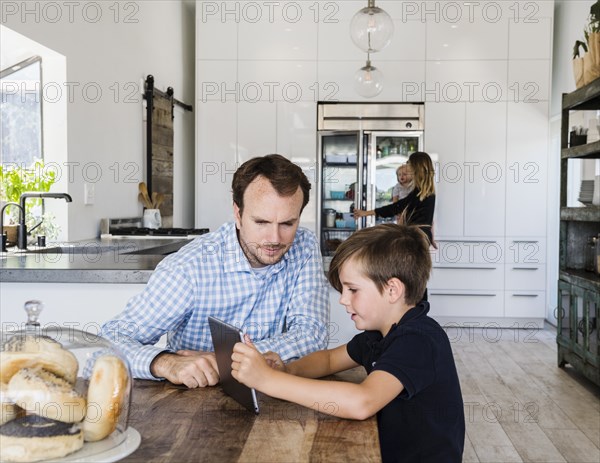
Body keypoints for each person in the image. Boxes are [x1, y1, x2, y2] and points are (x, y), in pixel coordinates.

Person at [231, 224, 465, 462]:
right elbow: (329, 359)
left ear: (392, 290)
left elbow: (362, 402)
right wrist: (288, 370)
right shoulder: (377, 335)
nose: (343, 299)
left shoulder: (418, 340)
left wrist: (269, 380)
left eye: (353, 289)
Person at [102, 154, 330, 388]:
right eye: (261, 222)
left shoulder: (304, 246)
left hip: (273, 396)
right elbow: (109, 342)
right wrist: (165, 363)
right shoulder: (189, 267)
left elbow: (312, 334)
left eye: (287, 224)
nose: (274, 238)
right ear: (238, 214)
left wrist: (226, 361)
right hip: (192, 403)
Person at [354, 152, 435, 246]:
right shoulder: (427, 192)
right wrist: (430, 234)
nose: (407, 165)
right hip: (422, 236)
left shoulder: (419, 193)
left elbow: (396, 208)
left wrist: (366, 213)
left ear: (415, 167)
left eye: (409, 163)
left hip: (416, 237)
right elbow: (428, 219)